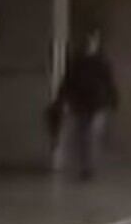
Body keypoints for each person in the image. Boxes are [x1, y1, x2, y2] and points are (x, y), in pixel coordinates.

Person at [49, 33, 117, 179]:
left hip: (95, 103)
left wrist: (112, 99)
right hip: (84, 103)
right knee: (85, 135)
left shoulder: (99, 63)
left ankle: (88, 166)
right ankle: (87, 166)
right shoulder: (80, 62)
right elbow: (68, 82)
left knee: (90, 135)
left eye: (91, 42)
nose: (89, 45)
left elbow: (109, 82)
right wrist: (61, 99)